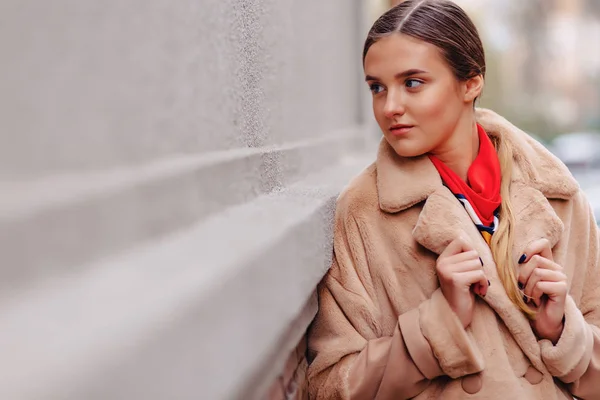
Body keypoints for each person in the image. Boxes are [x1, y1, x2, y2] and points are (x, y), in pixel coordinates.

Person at [306, 1, 600, 399]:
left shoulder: (558, 196)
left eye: (412, 83)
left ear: (471, 83)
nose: (389, 107)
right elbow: (329, 385)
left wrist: (563, 330)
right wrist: (439, 324)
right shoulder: (363, 210)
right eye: (377, 87)